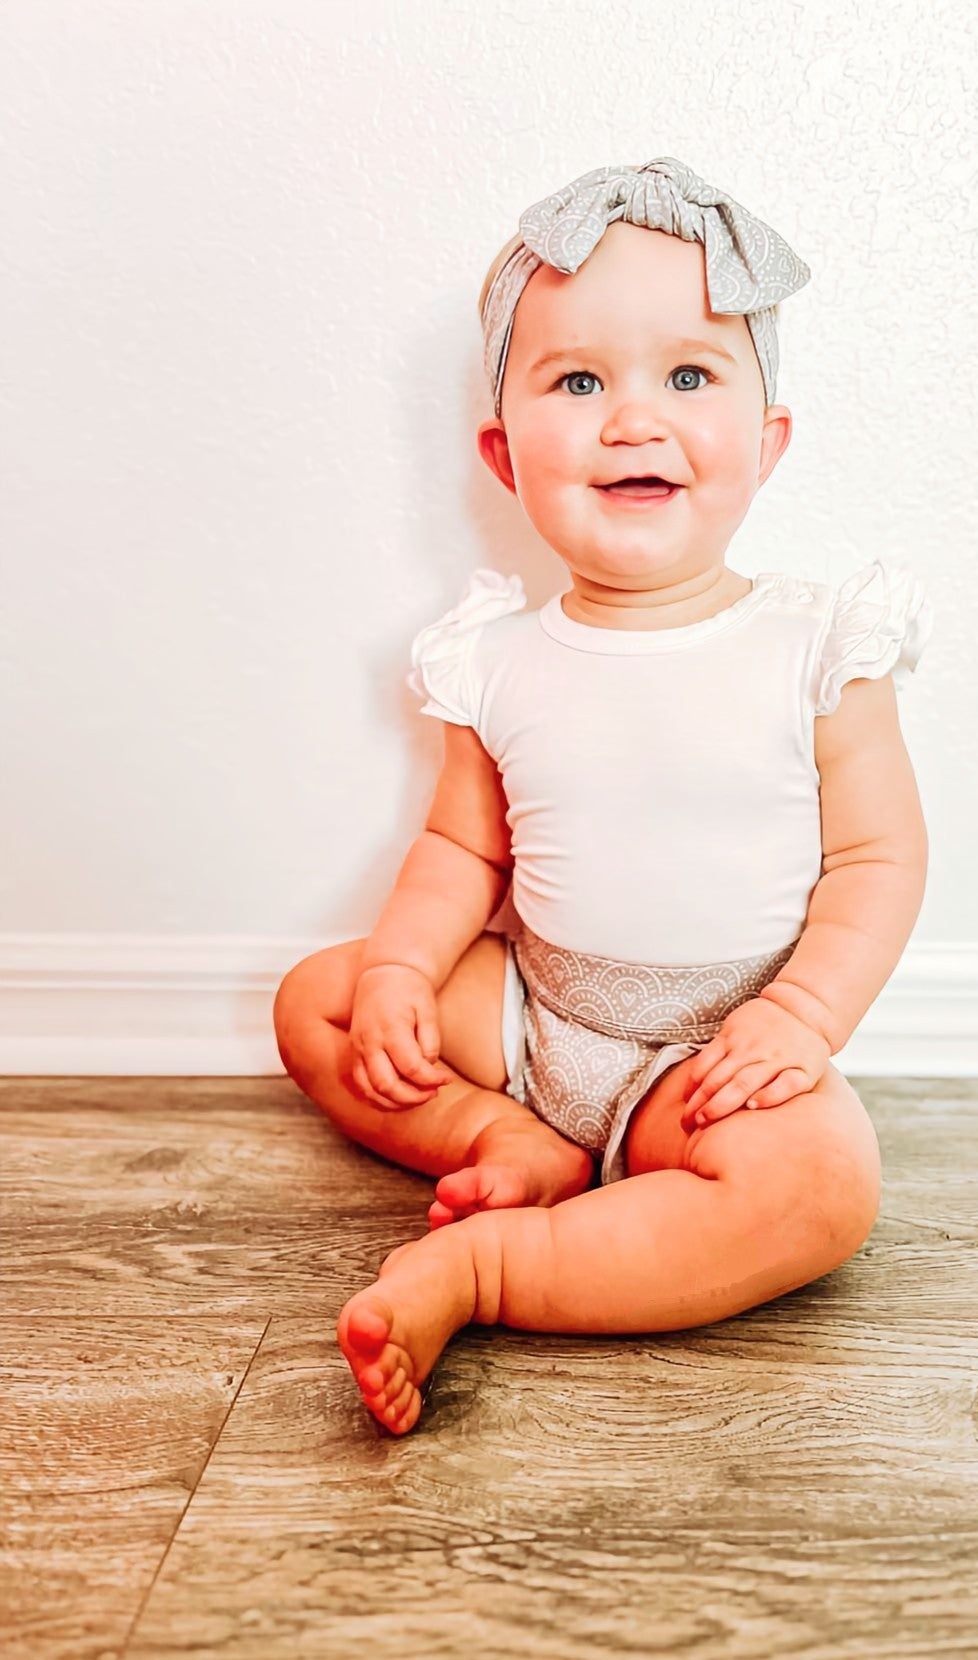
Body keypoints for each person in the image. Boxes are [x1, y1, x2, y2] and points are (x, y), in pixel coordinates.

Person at [273, 157, 933, 1436]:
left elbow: (878, 861)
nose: (634, 418)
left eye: (689, 376)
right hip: (532, 1008)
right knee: (322, 1000)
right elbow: (463, 847)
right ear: (505, 455)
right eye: (579, 381)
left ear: (767, 439)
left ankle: (492, 1268)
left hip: (709, 1053)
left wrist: (799, 1019)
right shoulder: (498, 654)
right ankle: (502, 1145)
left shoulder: (818, 648)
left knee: (822, 1185)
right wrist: (409, 973)